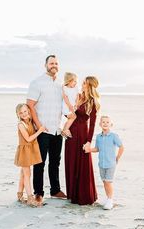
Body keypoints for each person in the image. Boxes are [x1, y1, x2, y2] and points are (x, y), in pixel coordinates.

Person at [27, 55, 67, 205]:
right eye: (51, 63)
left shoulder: (61, 84)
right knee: (40, 162)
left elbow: (65, 105)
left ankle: (55, 190)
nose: (54, 65)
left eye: (56, 63)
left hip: (57, 129)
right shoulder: (37, 82)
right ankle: (39, 193)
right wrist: (38, 125)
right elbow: (30, 105)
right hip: (42, 130)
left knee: (55, 162)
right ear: (45, 65)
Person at [65, 76, 100, 205]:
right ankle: (72, 194)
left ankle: (84, 196)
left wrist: (89, 142)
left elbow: (92, 125)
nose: (82, 84)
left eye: (84, 83)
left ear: (89, 86)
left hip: (82, 135)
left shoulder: (93, 102)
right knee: (71, 162)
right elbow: (68, 110)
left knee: (83, 163)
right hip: (71, 134)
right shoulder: (78, 96)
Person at [86, 116, 124, 210]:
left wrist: (117, 158)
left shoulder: (114, 136)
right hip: (101, 164)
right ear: (100, 124)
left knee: (108, 182)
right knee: (104, 182)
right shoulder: (98, 137)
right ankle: (108, 198)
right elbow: (97, 149)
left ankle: (110, 200)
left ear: (111, 124)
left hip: (111, 164)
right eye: (103, 122)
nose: (105, 124)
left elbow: (121, 147)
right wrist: (89, 150)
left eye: (107, 122)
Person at [14, 103, 45, 207]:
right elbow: (28, 139)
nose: (23, 114)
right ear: (18, 114)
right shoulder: (21, 125)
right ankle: (30, 197)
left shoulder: (30, 120)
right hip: (24, 151)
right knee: (27, 174)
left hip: (30, 150)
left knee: (23, 173)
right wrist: (40, 131)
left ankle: (19, 194)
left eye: (25, 111)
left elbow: (33, 110)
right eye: (21, 113)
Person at [61, 72, 79, 138]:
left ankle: (65, 130)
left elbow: (77, 96)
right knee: (73, 117)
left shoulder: (76, 88)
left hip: (73, 107)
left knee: (72, 117)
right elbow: (65, 99)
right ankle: (65, 130)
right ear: (69, 81)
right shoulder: (64, 88)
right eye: (74, 81)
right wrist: (70, 106)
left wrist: (76, 104)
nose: (76, 83)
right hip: (67, 107)